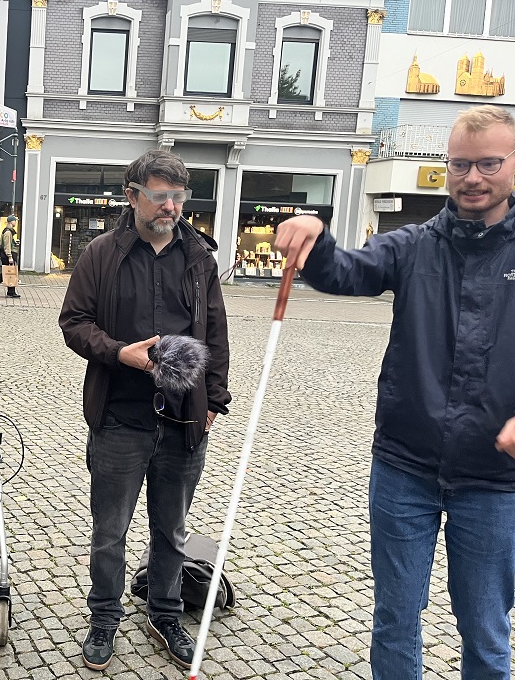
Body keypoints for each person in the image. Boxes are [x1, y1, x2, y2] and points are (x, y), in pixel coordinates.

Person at [274, 104, 515, 680]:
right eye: (460, 164)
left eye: (488, 163)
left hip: (495, 481)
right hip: (404, 466)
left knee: (486, 630)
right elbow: (345, 271)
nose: (472, 177)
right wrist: (316, 236)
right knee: (395, 619)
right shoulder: (414, 245)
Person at [58, 149, 231, 671]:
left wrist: (215, 401)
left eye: (180, 198)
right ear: (133, 196)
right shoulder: (101, 254)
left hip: (183, 420)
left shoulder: (199, 257)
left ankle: (165, 612)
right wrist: (118, 352)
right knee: (110, 532)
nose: (172, 208)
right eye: (161, 197)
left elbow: (216, 333)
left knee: (171, 530)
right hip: (120, 418)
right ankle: (104, 618)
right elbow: (73, 321)